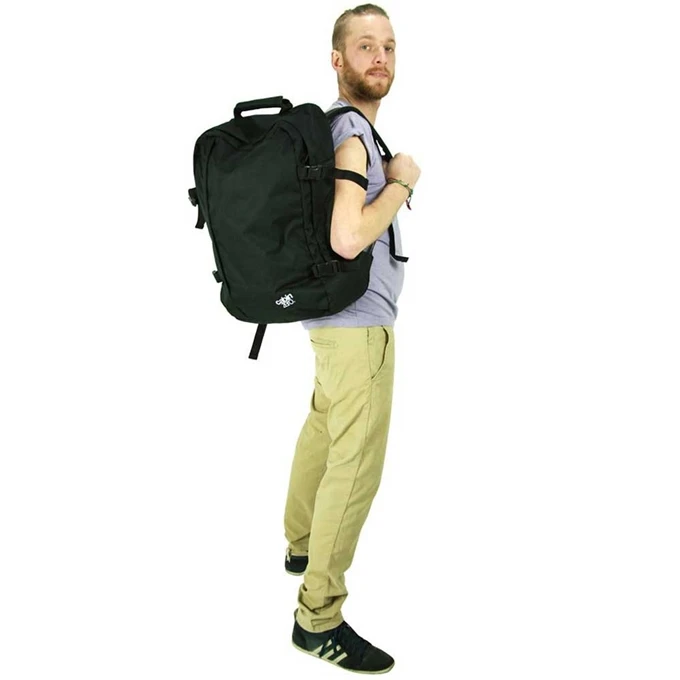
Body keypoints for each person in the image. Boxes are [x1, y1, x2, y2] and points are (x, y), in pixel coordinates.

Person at [282, 4, 421, 674]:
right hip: (359, 327)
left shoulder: (339, 129)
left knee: (322, 431)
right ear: (337, 59)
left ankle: (300, 544)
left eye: (388, 46)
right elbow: (347, 236)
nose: (380, 57)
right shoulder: (353, 135)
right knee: (355, 465)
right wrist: (400, 184)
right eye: (365, 46)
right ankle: (318, 618)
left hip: (333, 324)